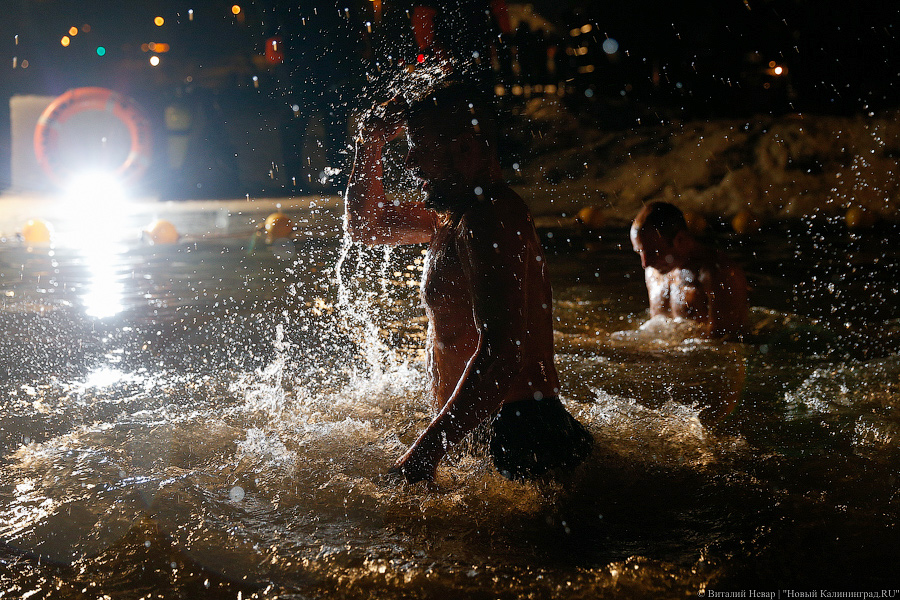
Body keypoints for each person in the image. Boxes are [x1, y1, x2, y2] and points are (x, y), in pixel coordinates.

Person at [344, 83, 593, 484]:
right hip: (483, 423)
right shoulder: (451, 218)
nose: (408, 160)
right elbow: (365, 225)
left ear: (466, 150)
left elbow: (501, 354)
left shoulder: (490, 219)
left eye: (420, 147)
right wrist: (369, 144)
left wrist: (424, 454)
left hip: (521, 431)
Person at [630, 201, 749, 338]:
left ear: (680, 239)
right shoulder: (653, 270)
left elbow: (725, 344)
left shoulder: (720, 274)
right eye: (639, 252)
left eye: (653, 252)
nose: (645, 263)